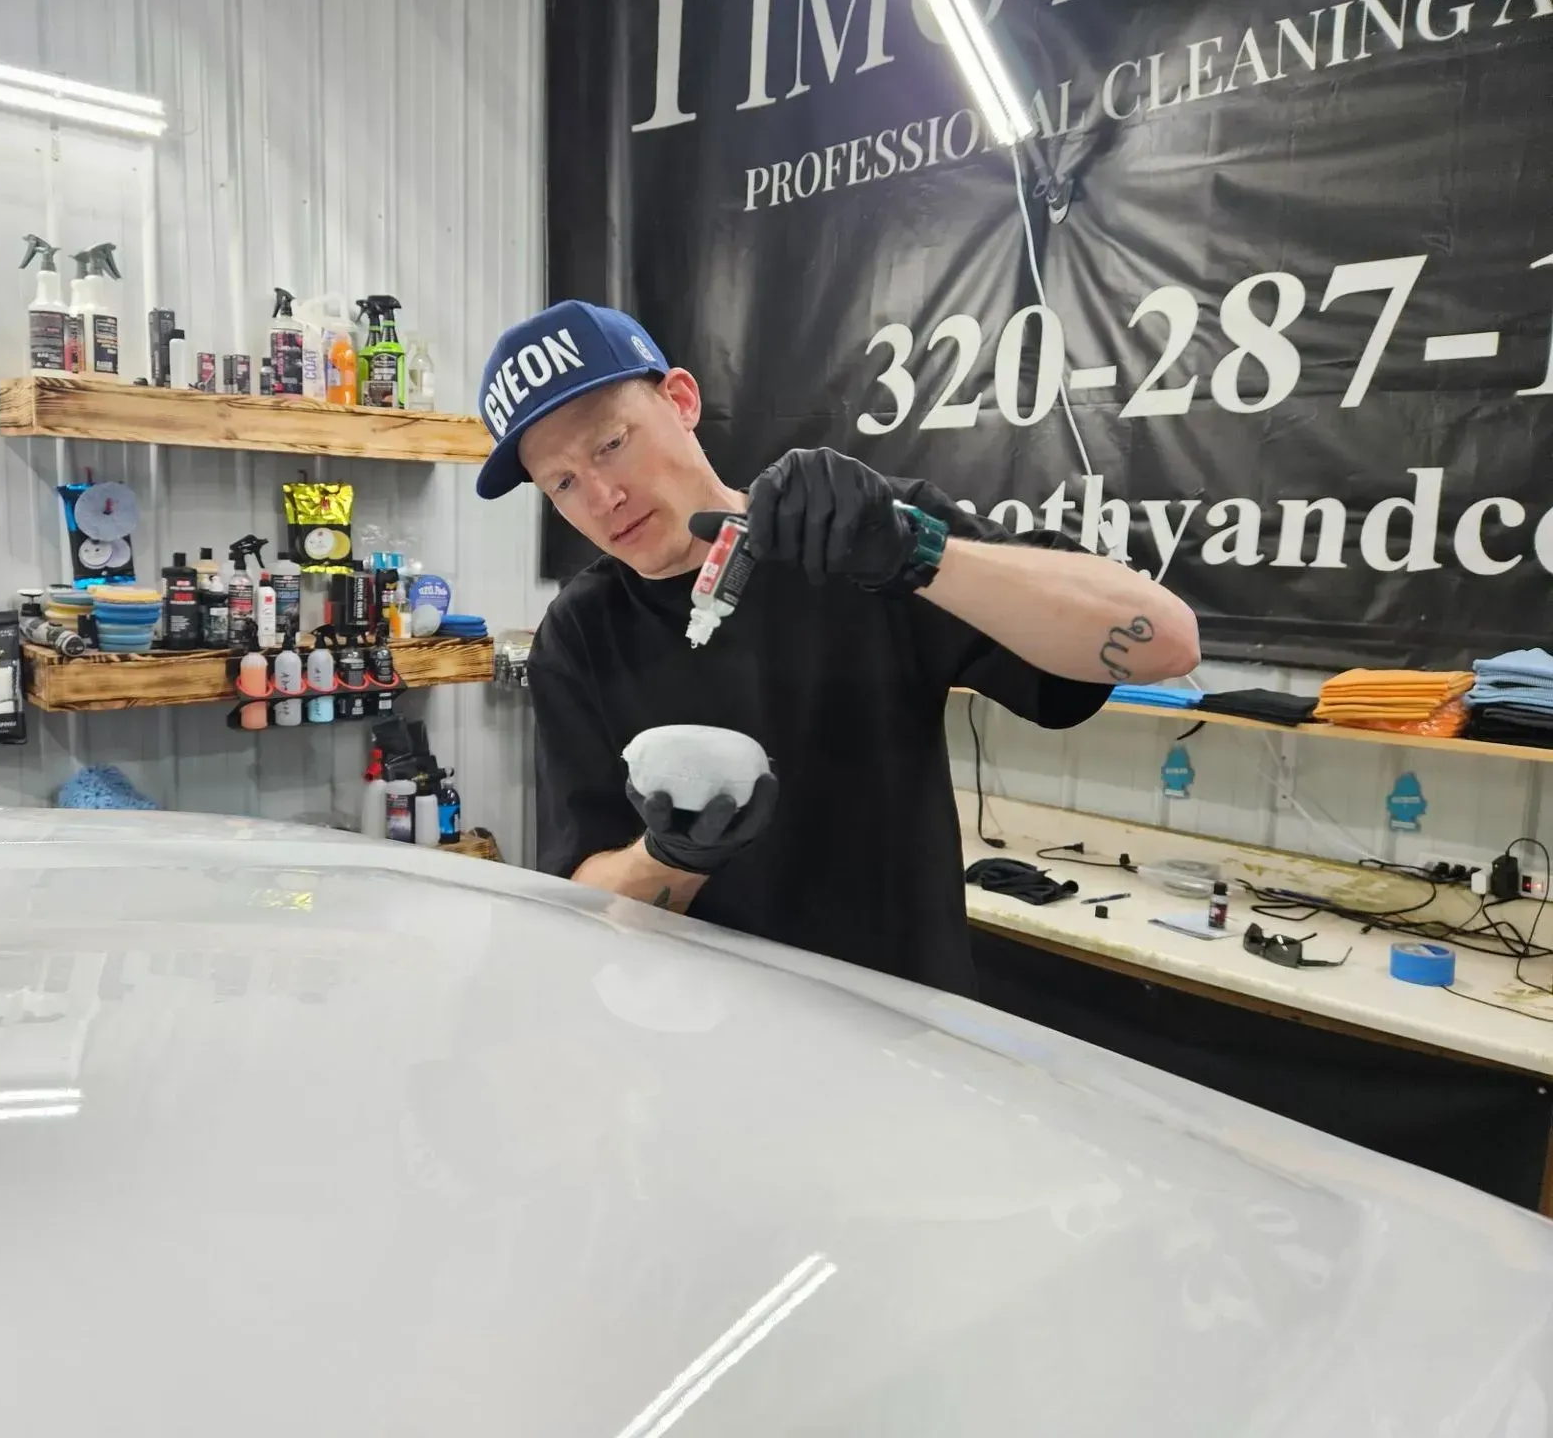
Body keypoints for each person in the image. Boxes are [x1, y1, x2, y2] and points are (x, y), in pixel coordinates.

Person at [476, 300, 1199, 994]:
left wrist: (918, 554)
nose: (602, 497)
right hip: (699, 1044)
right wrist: (671, 855)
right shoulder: (579, 635)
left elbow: (1165, 643)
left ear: (682, 400)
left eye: (611, 443)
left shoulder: (862, 542)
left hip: (900, 1032)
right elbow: (588, 903)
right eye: (562, 482)